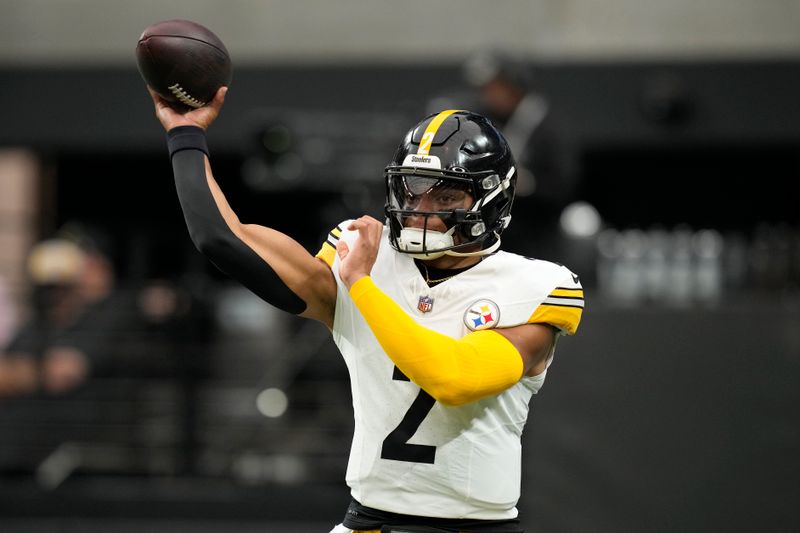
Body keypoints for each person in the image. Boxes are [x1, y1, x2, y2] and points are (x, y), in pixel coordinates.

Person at [148, 85, 584, 532]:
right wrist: (185, 135)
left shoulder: (538, 285)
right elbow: (222, 238)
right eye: (413, 193)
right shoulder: (364, 255)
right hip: (366, 521)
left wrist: (361, 284)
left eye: (447, 197)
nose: (421, 212)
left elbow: (455, 379)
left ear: (494, 200)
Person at [0, 225, 127, 397]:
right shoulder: (34, 327)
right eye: (47, 287)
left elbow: (65, 371)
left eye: (63, 286)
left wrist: (26, 371)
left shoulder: (102, 321)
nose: (55, 294)